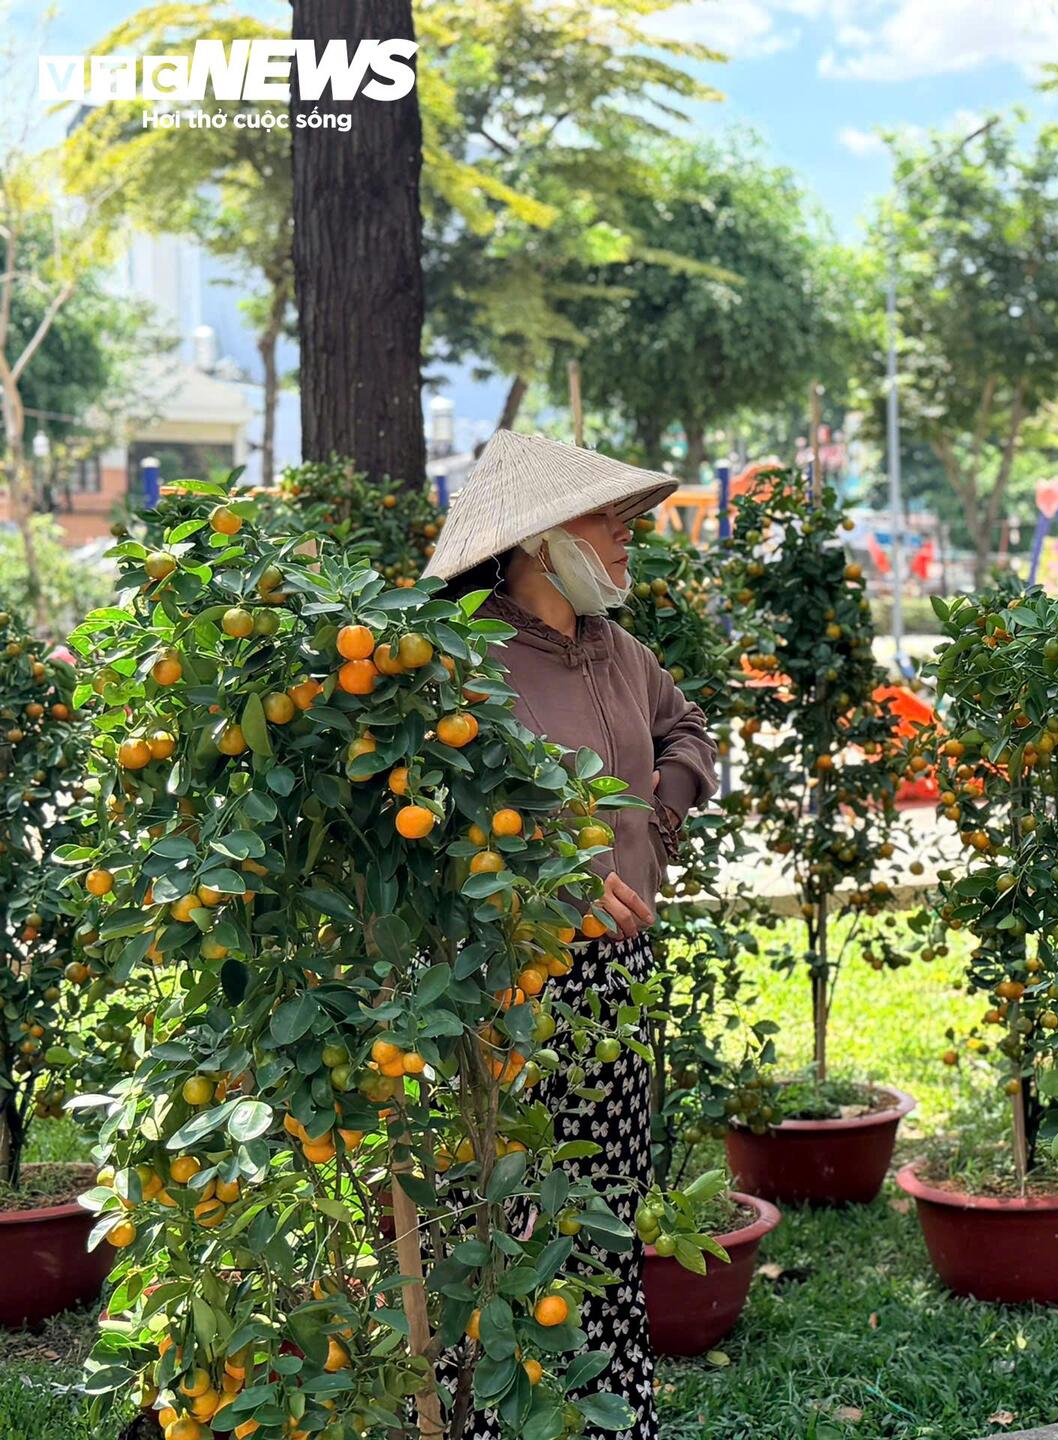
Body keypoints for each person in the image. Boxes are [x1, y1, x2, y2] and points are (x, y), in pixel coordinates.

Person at [424, 430, 719, 1439]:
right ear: (539, 539)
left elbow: (687, 730)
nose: (628, 536)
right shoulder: (462, 662)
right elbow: (436, 824)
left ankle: (610, 1413)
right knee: (506, 1213)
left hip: (619, 978)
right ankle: (496, 1418)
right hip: (510, 984)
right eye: (607, 518)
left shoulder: (619, 651)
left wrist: (659, 815)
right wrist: (557, 883)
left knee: (601, 1209)